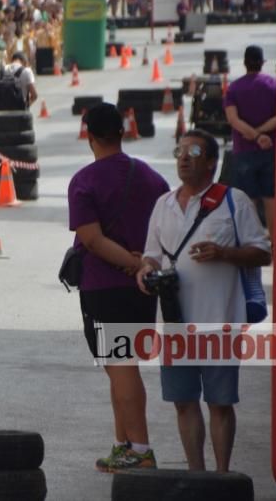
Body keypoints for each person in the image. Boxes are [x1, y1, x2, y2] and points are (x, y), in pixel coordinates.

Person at [135, 130, 272, 473]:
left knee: (220, 403)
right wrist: (145, 271)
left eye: (193, 151)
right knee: (183, 402)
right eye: (179, 150)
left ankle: (222, 476)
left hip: (220, 320)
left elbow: (262, 253)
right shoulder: (163, 205)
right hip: (176, 322)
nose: (183, 157)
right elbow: (151, 255)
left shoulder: (233, 201)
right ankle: (198, 475)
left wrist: (224, 252)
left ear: (211, 162)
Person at [68, 103, 170, 472]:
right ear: (123, 132)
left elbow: (92, 240)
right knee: (118, 365)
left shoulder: (85, 181)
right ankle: (122, 444)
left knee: (122, 366)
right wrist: (145, 264)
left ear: (88, 135)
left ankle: (140, 449)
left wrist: (132, 264)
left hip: (105, 286)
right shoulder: (153, 179)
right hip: (143, 290)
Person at [224, 45, 276, 241]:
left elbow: (233, 120)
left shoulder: (234, 88)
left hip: (244, 152)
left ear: (245, 63)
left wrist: (254, 136)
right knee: (271, 199)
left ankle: (253, 242)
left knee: (248, 201)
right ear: (263, 62)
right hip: (271, 150)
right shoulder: (275, 85)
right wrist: (263, 134)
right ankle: (274, 243)